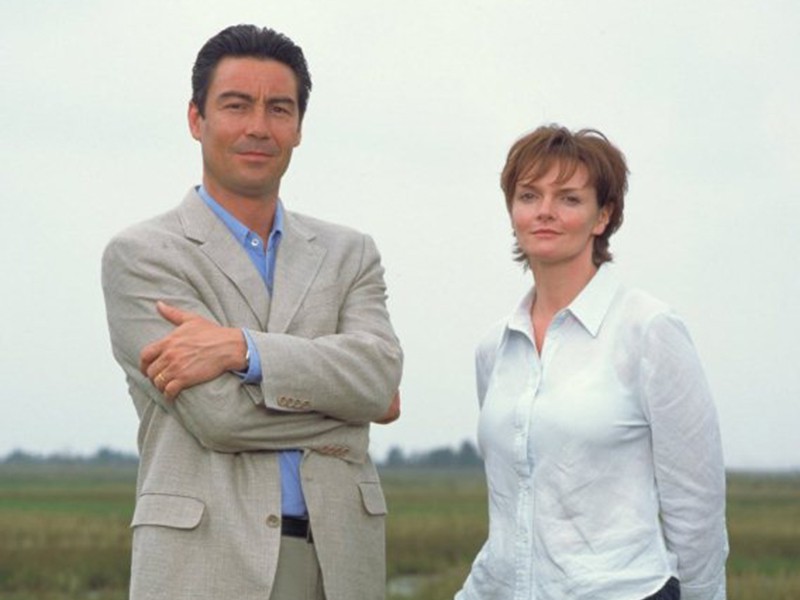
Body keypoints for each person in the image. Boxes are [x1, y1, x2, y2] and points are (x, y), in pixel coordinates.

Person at [101, 24, 403, 600]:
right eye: (236, 105)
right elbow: (220, 417)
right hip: (205, 564)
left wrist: (244, 350)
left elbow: (380, 375)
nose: (259, 127)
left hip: (341, 563)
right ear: (196, 119)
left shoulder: (351, 252)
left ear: (299, 127)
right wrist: (351, 416)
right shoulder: (142, 256)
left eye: (279, 109)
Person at [456, 125, 728, 600]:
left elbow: (696, 504)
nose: (545, 211)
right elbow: (510, 502)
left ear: (603, 216)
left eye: (569, 198)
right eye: (529, 195)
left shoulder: (649, 330)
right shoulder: (495, 347)